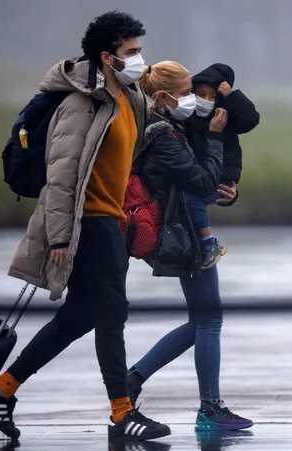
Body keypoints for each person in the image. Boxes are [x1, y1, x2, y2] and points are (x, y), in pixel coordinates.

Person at [0, 11, 170, 442]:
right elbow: (60, 175)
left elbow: (139, 150)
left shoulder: (128, 96)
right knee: (113, 312)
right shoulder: (81, 104)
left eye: (140, 50)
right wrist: (60, 236)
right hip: (91, 221)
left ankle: (3, 389)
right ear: (106, 56)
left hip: (112, 217)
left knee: (82, 314)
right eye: (131, 52)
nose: (139, 59)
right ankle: (122, 412)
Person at [125, 60, 253, 431]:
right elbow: (197, 180)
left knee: (200, 320)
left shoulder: (168, 126)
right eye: (185, 93)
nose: (193, 100)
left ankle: (133, 380)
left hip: (180, 228)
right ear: (162, 96)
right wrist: (214, 139)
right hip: (183, 235)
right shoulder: (162, 133)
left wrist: (224, 191)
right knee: (210, 319)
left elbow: (194, 184)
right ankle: (210, 409)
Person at [184, 63, 260, 270]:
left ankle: (209, 243)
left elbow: (251, 119)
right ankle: (205, 245)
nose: (206, 100)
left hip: (222, 176)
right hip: (200, 176)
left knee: (193, 200)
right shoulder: (186, 116)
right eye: (201, 94)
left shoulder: (226, 116)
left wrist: (232, 96)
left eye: (212, 95)